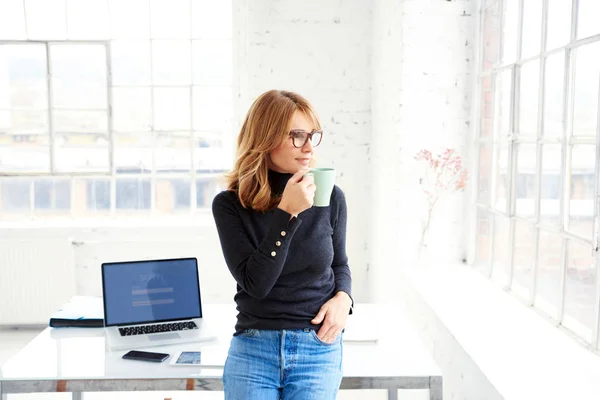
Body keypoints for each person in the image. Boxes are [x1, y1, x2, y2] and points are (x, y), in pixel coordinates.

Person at [212, 89, 353, 400]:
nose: (308, 148)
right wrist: (286, 213)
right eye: (296, 136)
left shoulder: (332, 197)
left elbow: (339, 264)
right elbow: (256, 284)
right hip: (253, 348)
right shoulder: (230, 205)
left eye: (312, 135)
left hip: (317, 347)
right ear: (265, 138)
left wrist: (344, 298)